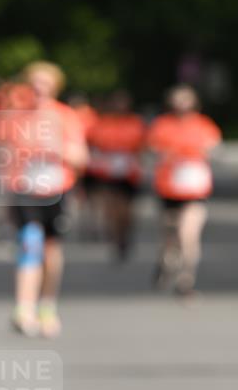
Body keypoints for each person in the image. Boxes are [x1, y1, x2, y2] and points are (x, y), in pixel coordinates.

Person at [0, 62, 88, 337]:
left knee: (51, 251)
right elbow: (5, 158)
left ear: (54, 87)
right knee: (29, 241)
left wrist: (56, 149)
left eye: (44, 83)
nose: (38, 88)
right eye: (34, 83)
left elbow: (81, 158)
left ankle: (47, 305)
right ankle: (24, 308)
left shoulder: (66, 117)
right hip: (25, 190)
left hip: (56, 190)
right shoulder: (16, 118)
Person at [146, 85, 221, 296]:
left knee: (188, 234)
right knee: (169, 237)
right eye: (177, 100)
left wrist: (202, 152)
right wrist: (167, 155)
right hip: (169, 189)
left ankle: (186, 280)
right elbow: (151, 150)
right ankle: (164, 262)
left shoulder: (203, 125)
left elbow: (215, 147)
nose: (181, 104)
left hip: (195, 190)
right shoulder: (162, 125)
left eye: (185, 100)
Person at [85, 90, 146, 260]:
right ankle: (115, 236)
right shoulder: (102, 123)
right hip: (108, 172)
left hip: (129, 173)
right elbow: (92, 144)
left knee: (126, 209)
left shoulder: (135, 123)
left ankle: (124, 233)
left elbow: (144, 147)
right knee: (111, 206)